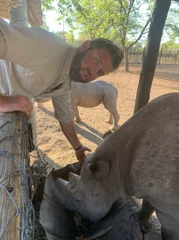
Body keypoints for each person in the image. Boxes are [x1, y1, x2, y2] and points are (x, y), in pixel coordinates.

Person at [0, 18, 123, 162]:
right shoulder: (46, 46)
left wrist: (78, 147)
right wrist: (2, 100)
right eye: (96, 60)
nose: (93, 71)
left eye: (100, 72)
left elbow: (65, 117)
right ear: (85, 46)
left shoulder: (66, 80)